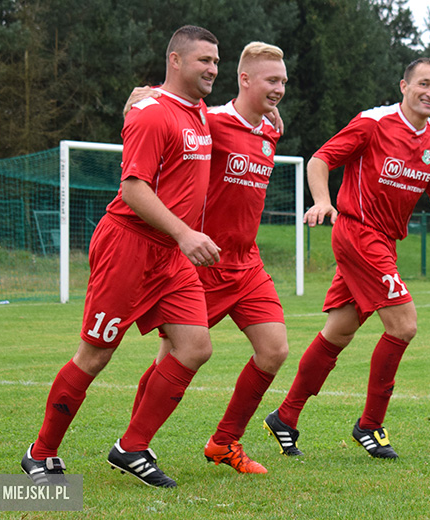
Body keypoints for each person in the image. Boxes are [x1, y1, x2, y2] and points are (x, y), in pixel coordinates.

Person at [21, 25, 221, 488]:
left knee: (195, 347)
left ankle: (132, 447)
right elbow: (133, 189)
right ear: (175, 60)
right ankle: (41, 453)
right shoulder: (152, 114)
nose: (213, 69)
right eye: (203, 61)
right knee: (95, 355)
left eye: (216, 61)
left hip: (170, 255)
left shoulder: (198, 111)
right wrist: (186, 233)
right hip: (128, 247)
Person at [263, 57, 430, 460]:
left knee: (339, 331)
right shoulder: (373, 123)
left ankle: (286, 415)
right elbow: (320, 159)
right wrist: (322, 201)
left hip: (385, 242)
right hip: (357, 234)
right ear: (403, 85)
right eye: (424, 84)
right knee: (403, 326)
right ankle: (370, 424)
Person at [126, 42, 289, 474]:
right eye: (272, 81)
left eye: (284, 82)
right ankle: (133, 442)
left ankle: (224, 443)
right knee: (175, 356)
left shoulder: (271, 131)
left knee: (273, 351)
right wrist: (140, 97)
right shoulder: (209, 121)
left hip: (248, 265)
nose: (279, 89)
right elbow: (163, 112)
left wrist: (272, 119)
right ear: (245, 80)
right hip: (201, 264)